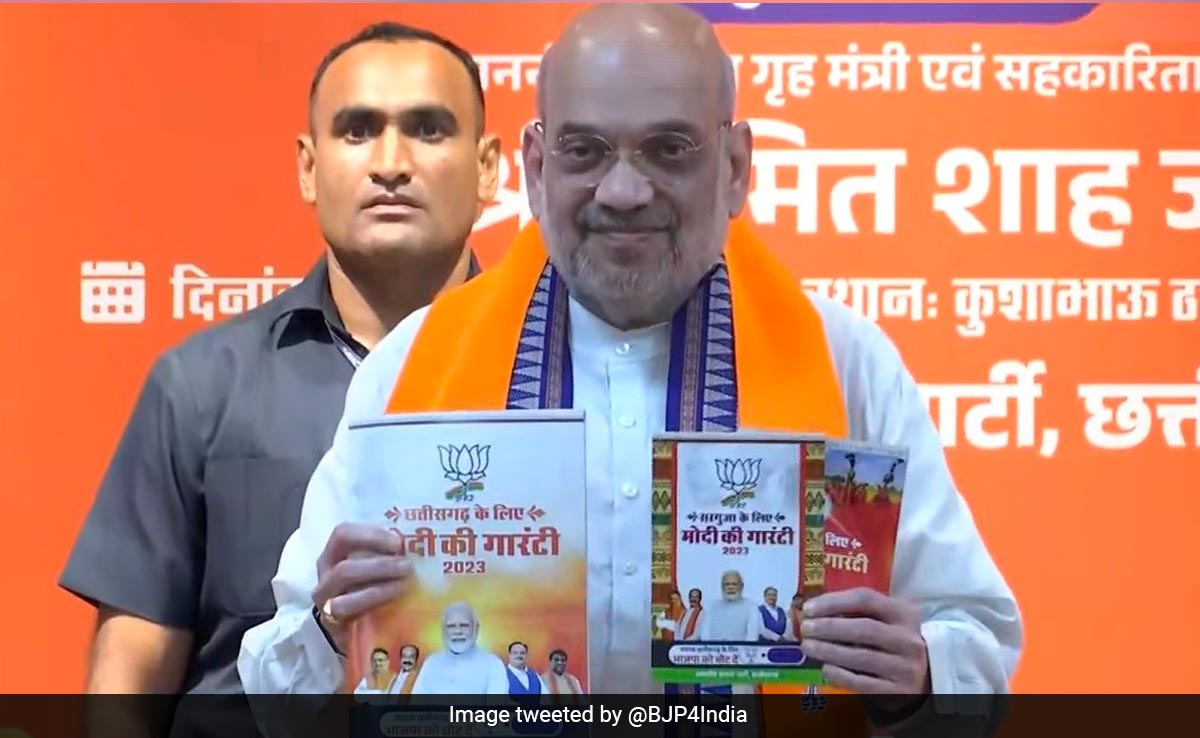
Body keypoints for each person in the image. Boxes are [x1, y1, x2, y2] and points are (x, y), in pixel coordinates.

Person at [240, 4, 1021, 736]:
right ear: (537, 167)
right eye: (584, 152)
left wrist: (918, 675)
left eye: (669, 149)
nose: (622, 191)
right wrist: (330, 626)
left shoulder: (846, 363)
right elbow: (275, 687)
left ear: (736, 167)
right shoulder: (414, 367)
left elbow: (979, 640)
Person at [58, 18, 499, 733]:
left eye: (427, 129)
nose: (391, 163)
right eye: (358, 131)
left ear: (488, 168)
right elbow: (128, 676)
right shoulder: (201, 385)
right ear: (307, 167)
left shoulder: (558, 383)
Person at [408, 602, 508, 695]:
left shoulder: (493, 665)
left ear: (476, 628)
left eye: (464, 625)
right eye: (451, 626)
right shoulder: (431, 663)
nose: (458, 631)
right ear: (443, 630)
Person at [698, 571, 758, 642]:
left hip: (741, 648)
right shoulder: (712, 606)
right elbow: (705, 634)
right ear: (722, 586)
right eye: (727, 584)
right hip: (714, 648)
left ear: (741, 586)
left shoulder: (751, 606)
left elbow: (752, 636)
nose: (730, 587)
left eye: (734, 584)